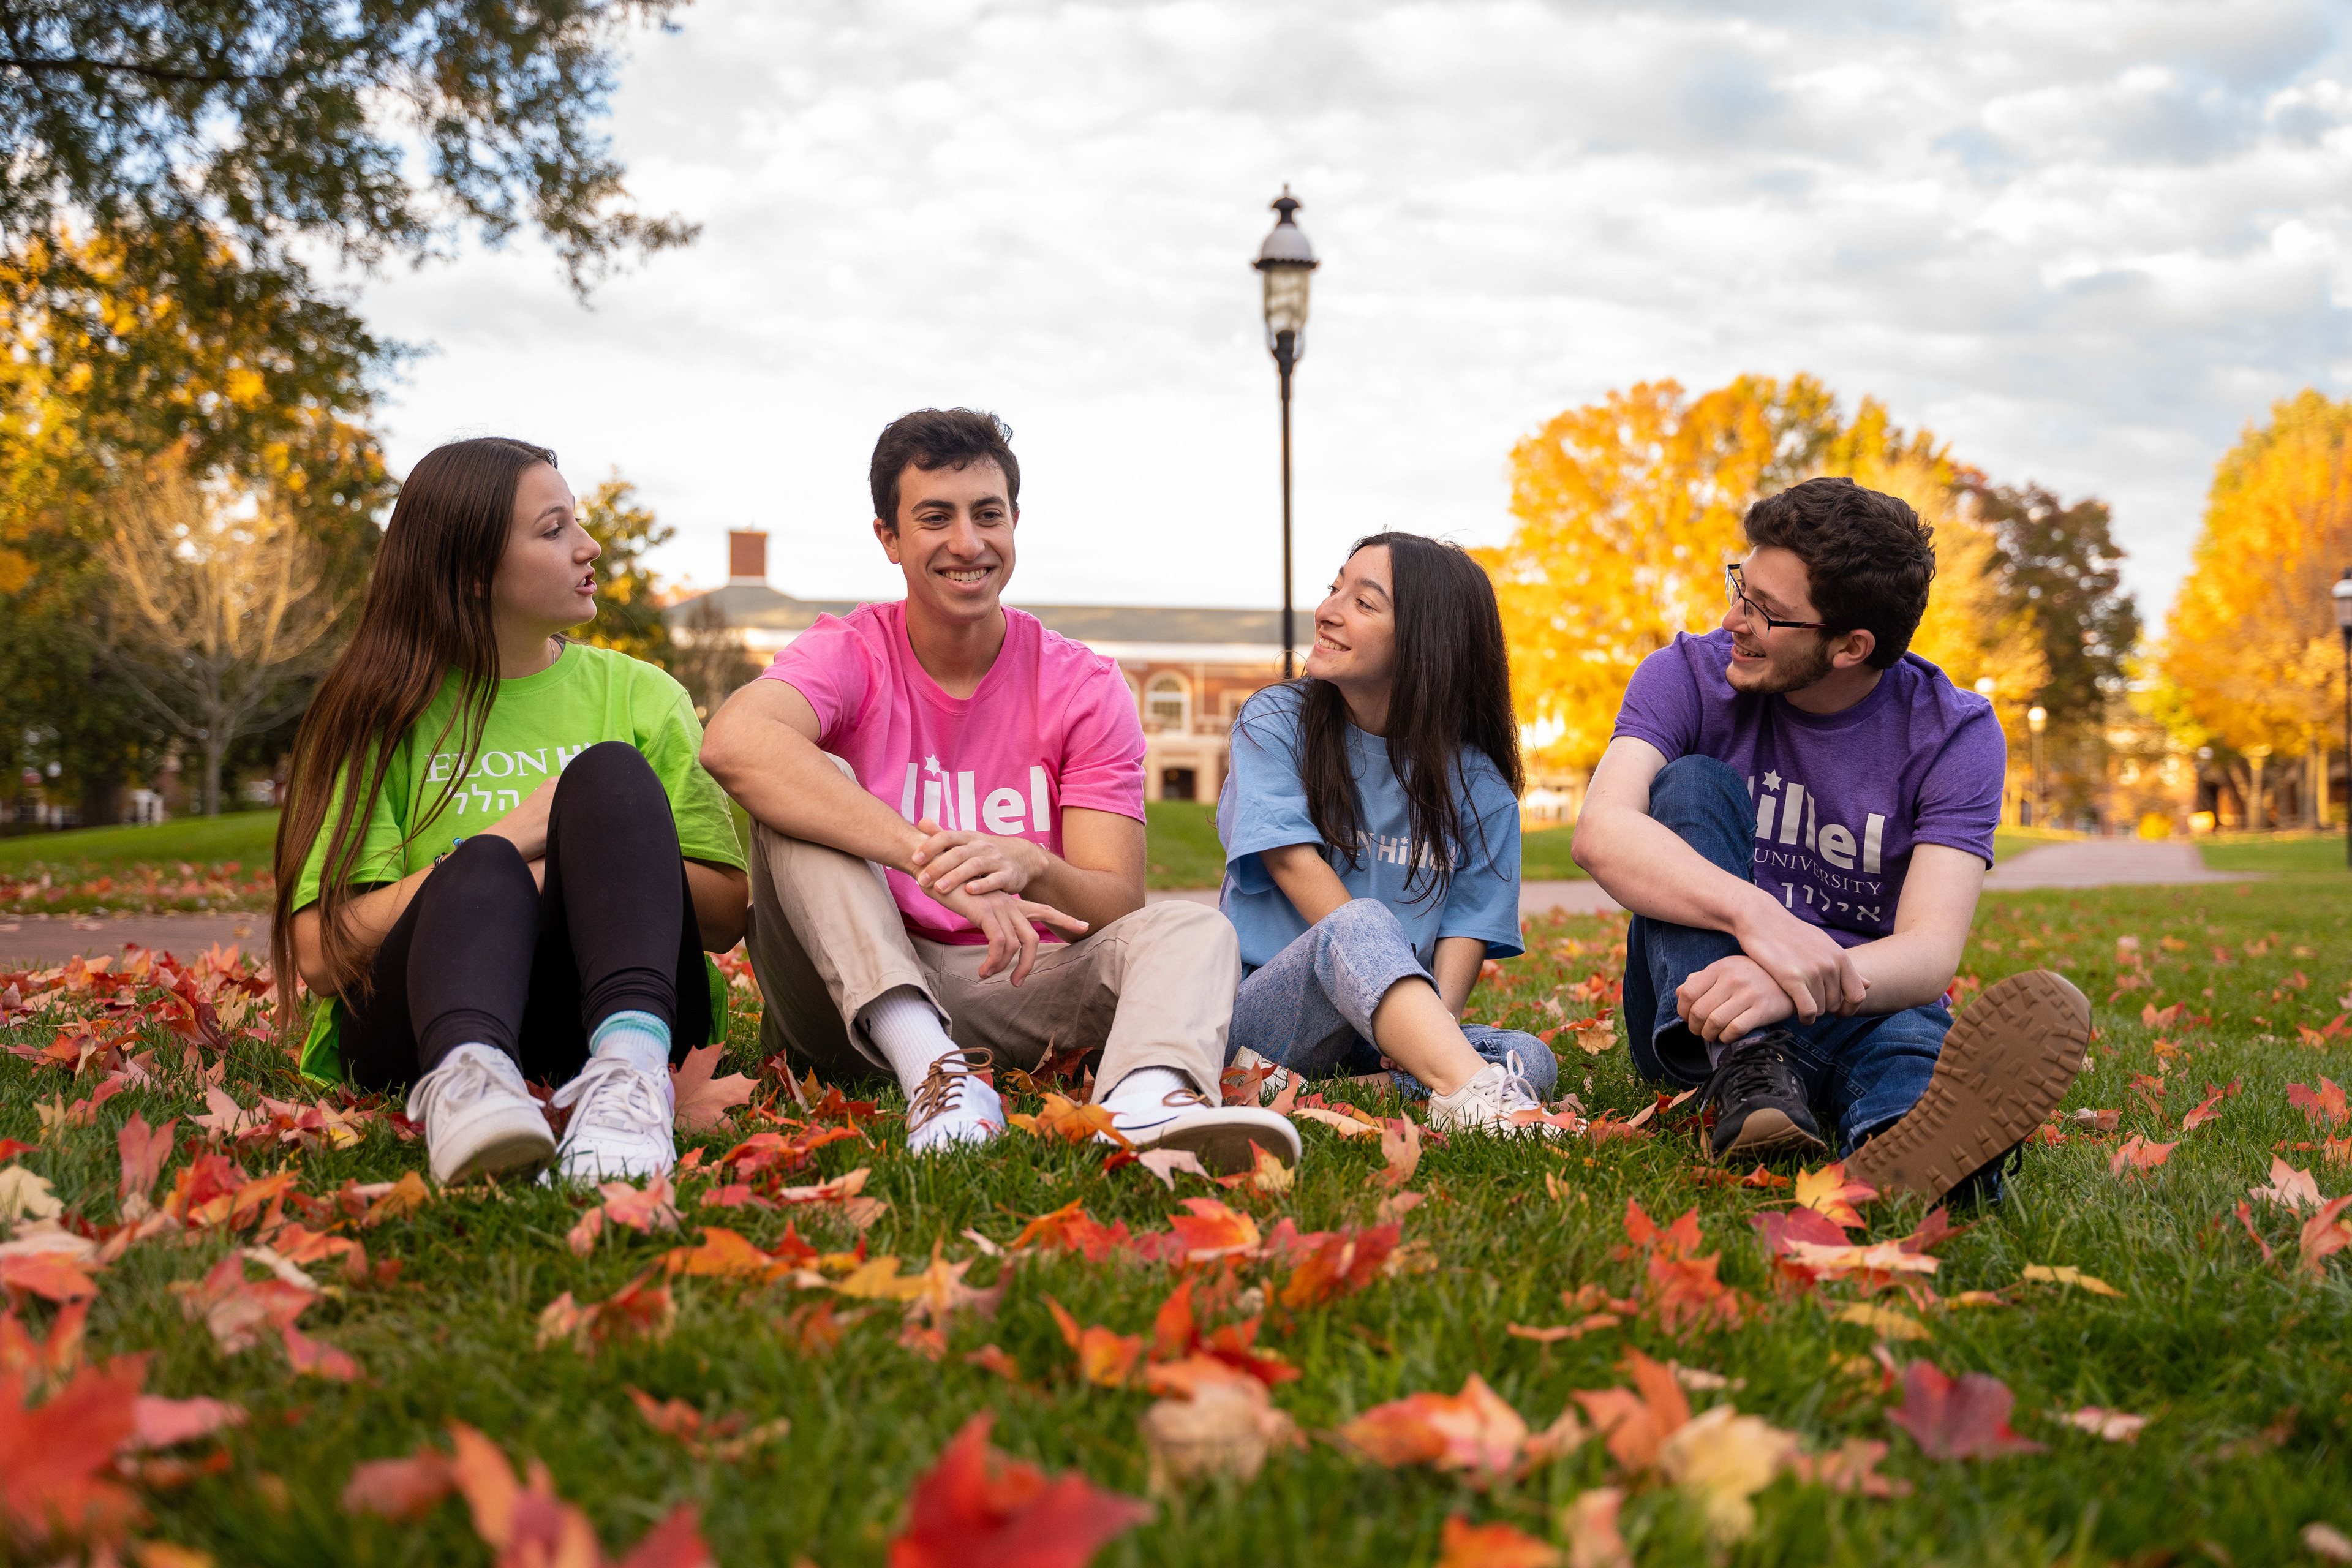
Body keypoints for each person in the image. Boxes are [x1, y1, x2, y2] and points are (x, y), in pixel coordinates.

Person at [699, 408, 1297, 1173]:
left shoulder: (1080, 682)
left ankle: (1149, 1099)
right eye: (935, 518)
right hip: (841, 993)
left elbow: (1115, 904)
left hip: (1009, 983)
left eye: (989, 514)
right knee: (805, 792)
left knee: (1193, 928)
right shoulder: (851, 651)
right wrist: (930, 862)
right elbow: (735, 742)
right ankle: (933, 1072)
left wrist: (1030, 864)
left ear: (1015, 521)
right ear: (888, 538)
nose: (968, 543)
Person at [1571, 475, 2089, 1202]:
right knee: (1691, 784)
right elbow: (1602, 831)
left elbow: (1930, 950)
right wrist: (1760, 923)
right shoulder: (1685, 673)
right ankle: (1750, 1070)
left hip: (1848, 1000)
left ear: (1851, 646)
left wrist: (1785, 987)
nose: (1732, 620)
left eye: (1765, 612)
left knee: (1908, 1034)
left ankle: (1912, 1152)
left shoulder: (1954, 733)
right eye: (1740, 588)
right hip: (1695, 1004)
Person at [270, 437, 750, 1186]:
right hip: (421, 1032)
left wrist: (581, 860)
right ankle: (473, 1086)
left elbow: (723, 914)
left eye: (576, 523)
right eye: (553, 530)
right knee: (487, 863)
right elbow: (320, 955)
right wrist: (501, 844)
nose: (590, 547)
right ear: (471, 574)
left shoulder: (643, 695)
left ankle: (629, 1078)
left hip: (620, 1009)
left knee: (610, 777)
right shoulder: (378, 713)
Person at [1218, 533, 1560, 1132]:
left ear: (1427, 642)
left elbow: (1465, 931)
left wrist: (1429, 1032)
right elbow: (1293, 865)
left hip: (1382, 1033)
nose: (1328, 610)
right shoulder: (1275, 723)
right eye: (1334, 589)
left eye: (1364, 602)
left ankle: (1300, 1097)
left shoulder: (1480, 786)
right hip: (1265, 1019)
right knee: (1360, 922)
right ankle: (1461, 1092)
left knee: (1530, 1058)